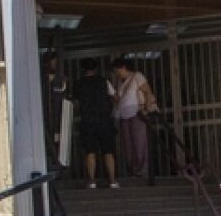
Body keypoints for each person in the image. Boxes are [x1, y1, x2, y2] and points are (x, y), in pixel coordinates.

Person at [72, 59, 118, 189]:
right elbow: (115, 97)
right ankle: (112, 181)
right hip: (104, 120)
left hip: (87, 121)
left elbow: (76, 104)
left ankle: (92, 181)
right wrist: (110, 110)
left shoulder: (78, 84)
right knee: (108, 151)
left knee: (90, 151)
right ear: (96, 69)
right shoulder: (104, 81)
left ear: (82, 69)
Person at [111, 58, 158, 178]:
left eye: (117, 70)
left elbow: (147, 91)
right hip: (125, 116)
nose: (116, 73)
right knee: (128, 145)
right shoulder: (121, 82)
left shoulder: (137, 76)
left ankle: (143, 170)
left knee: (139, 143)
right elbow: (120, 99)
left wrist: (146, 110)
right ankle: (133, 170)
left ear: (123, 67)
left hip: (137, 114)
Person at [41, 53, 68, 168]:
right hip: (49, 116)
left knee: (60, 140)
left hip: (60, 115)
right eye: (53, 61)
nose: (55, 64)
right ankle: (56, 163)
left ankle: (60, 162)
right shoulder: (42, 78)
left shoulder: (60, 78)